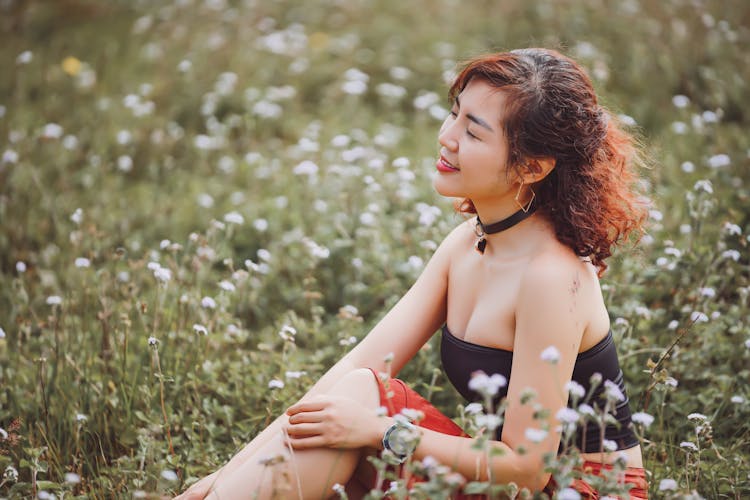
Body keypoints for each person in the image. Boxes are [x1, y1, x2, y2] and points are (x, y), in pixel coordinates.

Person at [176, 48, 649, 499]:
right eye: (454, 114)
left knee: (360, 410)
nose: (447, 137)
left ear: (531, 167)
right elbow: (355, 369)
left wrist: (381, 431)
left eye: (475, 132)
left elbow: (527, 469)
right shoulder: (468, 244)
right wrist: (224, 473)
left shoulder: (551, 277)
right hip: (503, 484)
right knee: (357, 390)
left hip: (574, 492)